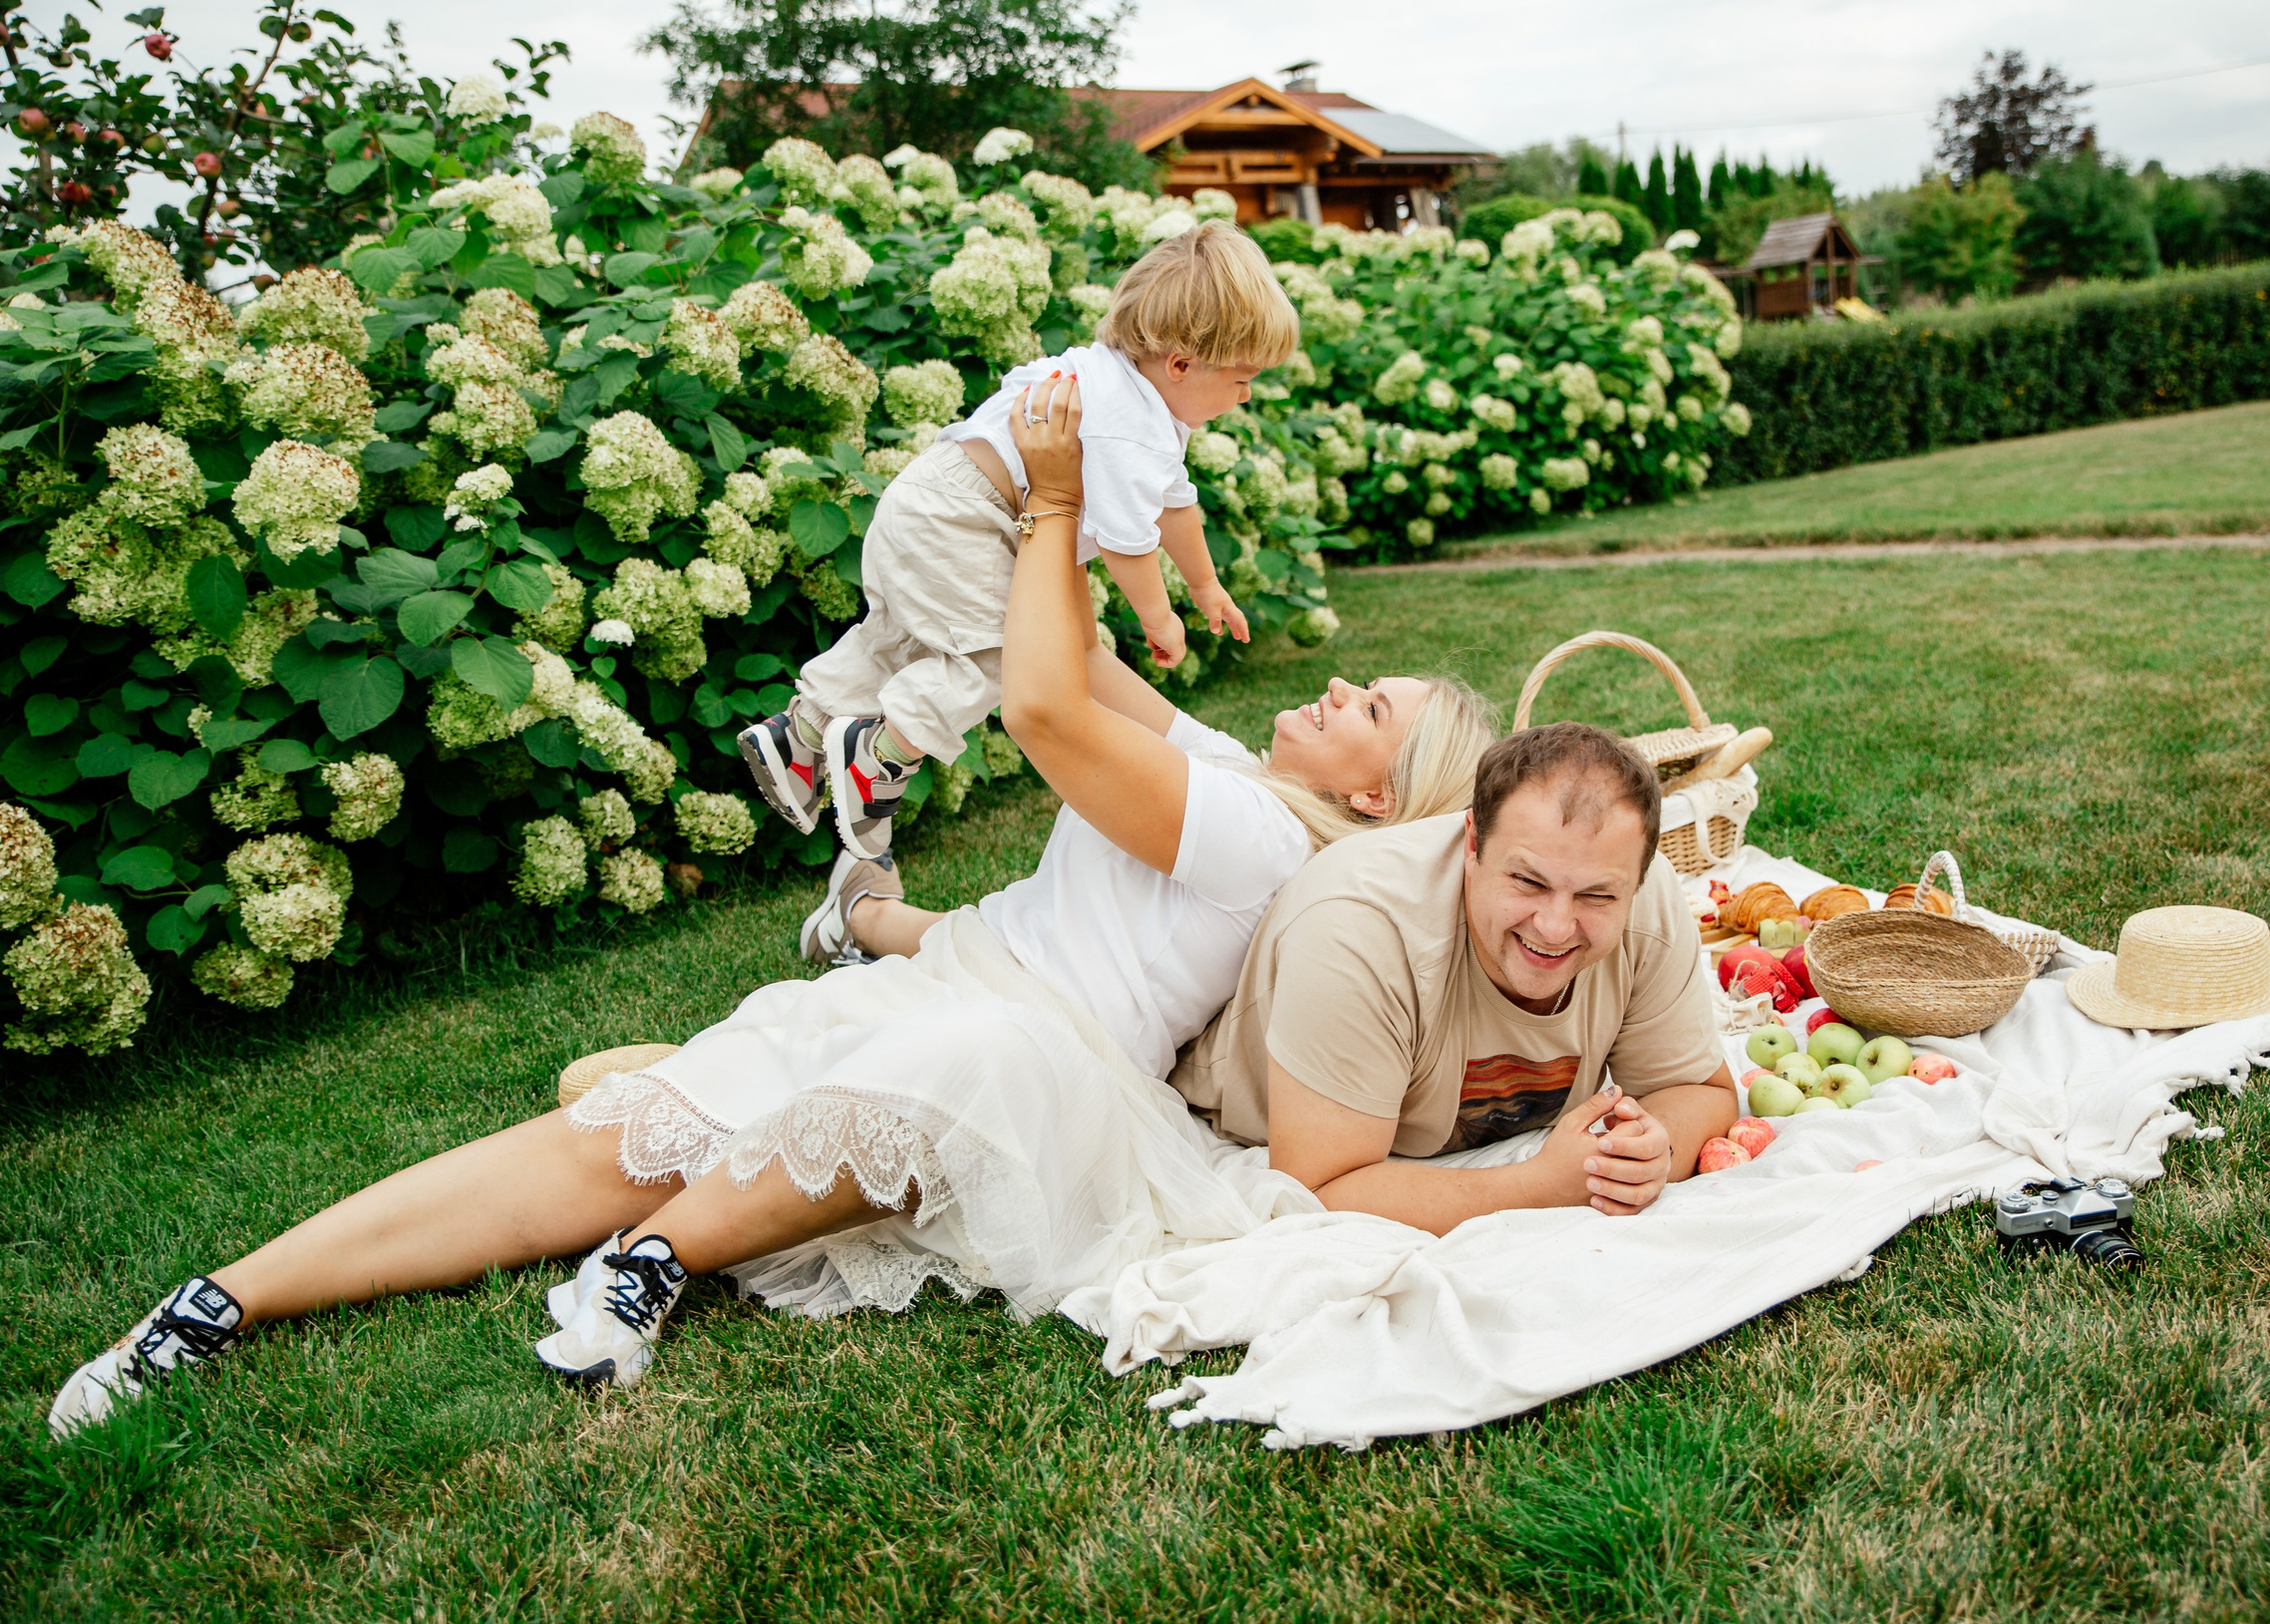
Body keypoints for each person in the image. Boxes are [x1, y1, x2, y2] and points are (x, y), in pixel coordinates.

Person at [48, 376, 1497, 1439]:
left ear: (1381, 796)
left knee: (943, 1066)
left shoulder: (1256, 832)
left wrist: (1062, 498)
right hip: (946, 983)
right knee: (626, 1129)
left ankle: (650, 1266)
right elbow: (1071, 665)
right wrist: (994, 533)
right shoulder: (1233, 769)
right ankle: (219, 1298)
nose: (1335, 686)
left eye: (1369, 705)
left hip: (1030, 1063)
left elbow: (1049, 710)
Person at [735, 220, 1295, 858]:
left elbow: (1175, 503)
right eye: (1242, 378)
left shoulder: (1127, 392)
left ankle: (799, 735)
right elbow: (1126, 538)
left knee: (896, 636)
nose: (1246, 395)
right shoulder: (1129, 424)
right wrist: (1160, 616)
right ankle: (880, 755)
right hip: (967, 520)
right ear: (1180, 364)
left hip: (929, 500)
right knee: (1008, 655)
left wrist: (1206, 583)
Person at [1171, 721, 1740, 1235]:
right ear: (1472, 843)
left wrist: (1652, 1153)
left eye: (1596, 896)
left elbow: (1702, 1093)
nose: (1556, 926)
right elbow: (1319, 1190)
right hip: (1251, 1127)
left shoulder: (1647, 895)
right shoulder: (1356, 928)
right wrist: (1536, 1187)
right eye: (1528, 881)